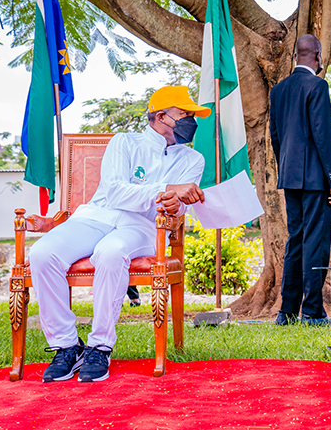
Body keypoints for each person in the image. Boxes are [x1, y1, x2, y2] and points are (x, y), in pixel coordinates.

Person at [30, 85, 209, 382]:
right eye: (185, 114)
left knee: (110, 252)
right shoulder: (124, 142)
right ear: (161, 116)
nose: (192, 120)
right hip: (97, 215)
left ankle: (99, 345)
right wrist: (166, 189)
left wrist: (177, 202)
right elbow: (114, 192)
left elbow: (176, 209)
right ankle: (66, 345)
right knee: (42, 254)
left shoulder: (192, 160)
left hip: (144, 226)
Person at [269, 34, 331, 326]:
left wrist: (287, 168)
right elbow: (323, 135)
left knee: (296, 241)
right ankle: (312, 310)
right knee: (316, 242)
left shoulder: (278, 90)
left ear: (295, 56)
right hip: (316, 179)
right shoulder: (318, 85)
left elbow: (276, 138)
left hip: (290, 176)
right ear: (318, 55)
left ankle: (286, 311)